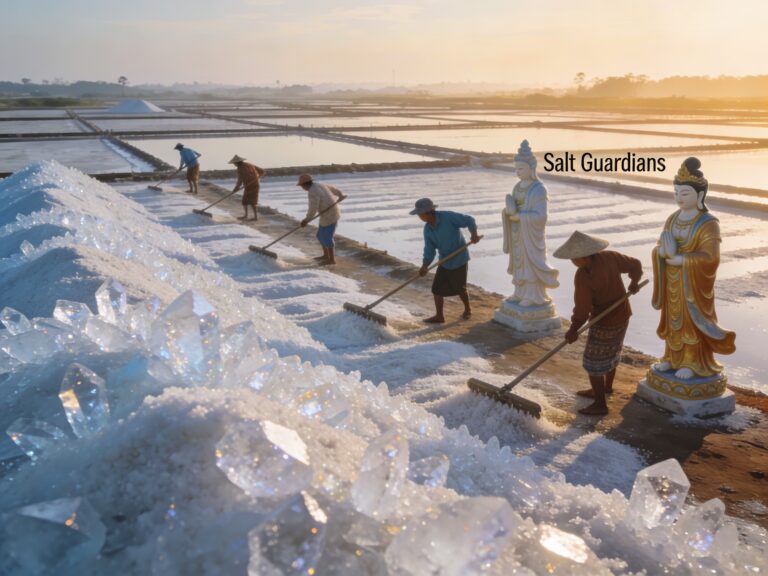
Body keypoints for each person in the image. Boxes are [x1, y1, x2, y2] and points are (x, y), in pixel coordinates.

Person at [652, 157, 735, 379]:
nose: (679, 198)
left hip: (693, 284)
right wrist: (662, 253)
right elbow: (661, 246)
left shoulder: (708, 223)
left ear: (699, 196)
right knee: (673, 320)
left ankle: (692, 362)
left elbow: (711, 258)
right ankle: (671, 358)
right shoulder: (672, 219)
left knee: (691, 321)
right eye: (676, 193)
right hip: (672, 281)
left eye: (685, 193)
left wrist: (681, 259)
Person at [553, 231, 642, 415]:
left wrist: (573, 329)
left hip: (605, 321)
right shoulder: (610, 257)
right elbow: (635, 265)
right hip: (623, 314)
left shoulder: (583, 276)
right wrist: (634, 280)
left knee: (593, 362)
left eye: (574, 258)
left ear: (585, 256)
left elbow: (582, 308)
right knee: (612, 352)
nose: (572, 262)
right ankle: (606, 388)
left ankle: (600, 404)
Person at [502, 140, 559, 306]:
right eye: (516, 169)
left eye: (521, 169)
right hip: (517, 231)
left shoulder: (539, 189)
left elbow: (541, 216)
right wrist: (507, 213)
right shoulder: (517, 187)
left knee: (530, 262)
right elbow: (512, 208)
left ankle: (534, 296)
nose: (517, 172)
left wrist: (520, 217)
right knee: (519, 261)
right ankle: (519, 293)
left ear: (531, 168)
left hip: (531, 233)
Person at [412, 198, 480, 323]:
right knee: (436, 289)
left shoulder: (447, 217)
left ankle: (467, 309)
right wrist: (424, 266)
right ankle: (439, 316)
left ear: (428, 212)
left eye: (419, 214)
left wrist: (474, 234)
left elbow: (469, 220)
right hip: (444, 260)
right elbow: (429, 250)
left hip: (459, 258)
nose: (419, 216)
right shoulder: (427, 229)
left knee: (460, 288)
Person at [298, 174, 345, 265]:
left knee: (327, 237)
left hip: (331, 215)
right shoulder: (318, 185)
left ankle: (331, 260)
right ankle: (326, 256)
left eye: (301, 185)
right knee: (320, 235)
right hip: (325, 214)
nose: (302, 188)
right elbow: (333, 189)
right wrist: (340, 194)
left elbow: (313, 208)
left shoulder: (313, 192)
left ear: (304, 185)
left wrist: (306, 220)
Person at [228, 155, 266, 221]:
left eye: (234, 163)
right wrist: (257, 177)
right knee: (247, 201)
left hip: (251, 185)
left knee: (250, 201)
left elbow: (240, 180)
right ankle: (248, 216)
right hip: (253, 185)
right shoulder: (250, 164)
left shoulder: (240, 169)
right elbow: (262, 171)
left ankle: (253, 217)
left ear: (237, 162)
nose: (234, 164)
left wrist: (236, 188)